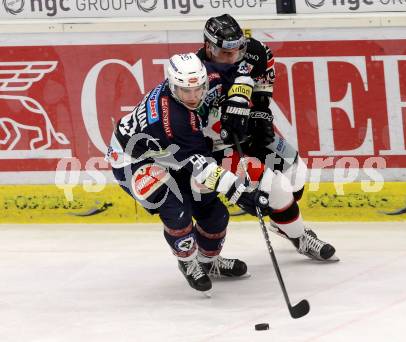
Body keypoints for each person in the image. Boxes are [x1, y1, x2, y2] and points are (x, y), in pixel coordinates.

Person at [105, 53, 271, 296]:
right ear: (172, 86)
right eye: (185, 91)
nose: (193, 96)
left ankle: (208, 262)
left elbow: (240, 73)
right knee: (177, 210)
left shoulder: (206, 76)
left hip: (171, 153)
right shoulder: (173, 118)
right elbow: (201, 166)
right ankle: (188, 260)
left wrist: (237, 99)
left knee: (214, 214)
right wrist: (241, 193)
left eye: (198, 89)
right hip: (134, 159)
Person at [197, 14, 339, 262]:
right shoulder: (196, 74)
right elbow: (189, 121)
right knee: (277, 188)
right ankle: (300, 236)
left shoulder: (252, 51)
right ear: (209, 47)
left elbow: (264, 67)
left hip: (250, 129)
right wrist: (221, 125)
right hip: (219, 147)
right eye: (225, 53)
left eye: (237, 50)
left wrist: (261, 109)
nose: (233, 57)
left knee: (296, 172)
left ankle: (282, 220)